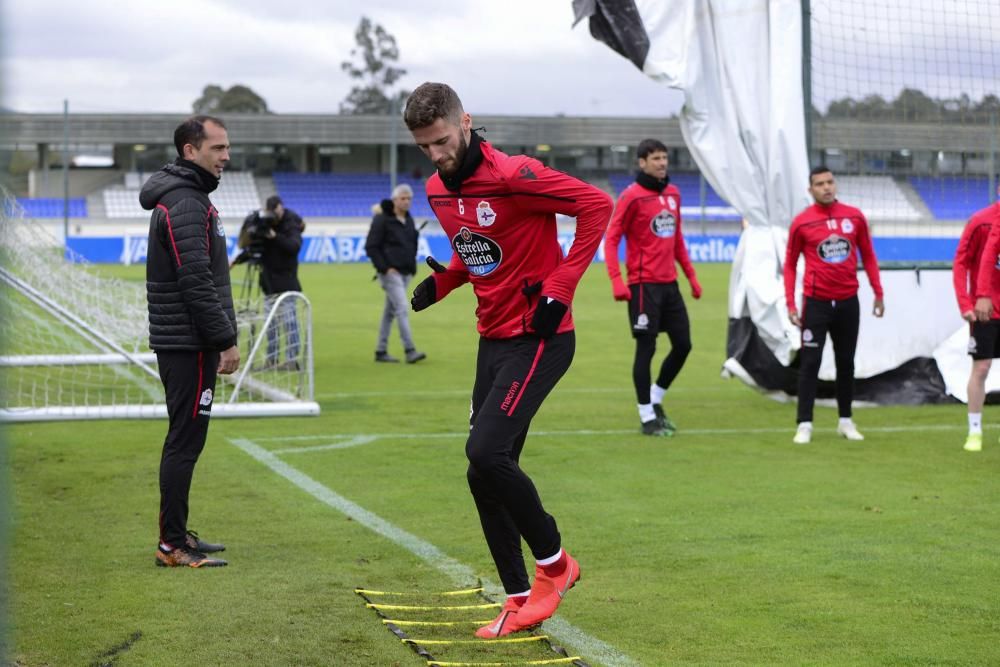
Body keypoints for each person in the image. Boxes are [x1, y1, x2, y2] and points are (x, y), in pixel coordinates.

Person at [405, 82, 613, 638]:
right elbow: (477, 250)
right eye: (424, 146)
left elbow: (597, 205)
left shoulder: (514, 175)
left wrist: (562, 284)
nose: (436, 155)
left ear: (465, 122)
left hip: (540, 336)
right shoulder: (435, 188)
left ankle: (557, 565)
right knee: (483, 473)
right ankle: (518, 598)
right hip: (492, 339)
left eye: (442, 141)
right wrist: (446, 281)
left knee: (486, 450)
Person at [139, 115, 240, 567]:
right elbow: (195, 280)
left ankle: (178, 535)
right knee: (184, 441)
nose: (226, 156)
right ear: (189, 151)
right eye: (217, 148)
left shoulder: (190, 198)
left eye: (226, 147)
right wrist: (225, 340)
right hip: (189, 342)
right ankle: (172, 546)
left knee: (186, 439)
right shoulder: (185, 203)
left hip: (187, 339)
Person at [604, 139, 701, 437]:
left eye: (664, 158)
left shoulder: (673, 194)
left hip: (669, 284)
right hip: (643, 285)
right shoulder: (631, 197)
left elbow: (678, 239)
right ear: (642, 162)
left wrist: (691, 276)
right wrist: (617, 280)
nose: (662, 163)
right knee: (647, 348)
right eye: (656, 158)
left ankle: (656, 398)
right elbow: (611, 239)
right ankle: (646, 415)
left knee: (684, 344)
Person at [783, 166, 884, 445]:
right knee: (810, 363)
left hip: (848, 302)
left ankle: (846, 421)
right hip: (815, 304)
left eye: (830, 182)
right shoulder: (802, 223)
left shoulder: (854, 216)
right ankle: (804, 424)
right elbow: (790, 265)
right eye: (820, 184)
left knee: (845, 363)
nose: (826, 187)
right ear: (810, 190)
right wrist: (791, 303)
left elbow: (869, 256)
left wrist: (878, 292)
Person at [233, 195, 304, 370]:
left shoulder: (291, 223)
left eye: (276, 210)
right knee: (270, 325)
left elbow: (294, 247)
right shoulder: (265, 224)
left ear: (281, 207)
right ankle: (271, 360)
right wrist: (235, 261)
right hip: (268, 283)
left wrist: (275, 236)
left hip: (286, 282)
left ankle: (291, 360)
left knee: (289, 323)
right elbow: (254, 248)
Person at [365, 184, 426, 364]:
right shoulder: (382, 219)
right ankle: (410, 350)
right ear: (394, 200)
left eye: (409, 199)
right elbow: (371, 246)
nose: (406, 202)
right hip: (391, 273)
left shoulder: (409, 220)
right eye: (403, 198)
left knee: (389, 312)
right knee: (402, 308)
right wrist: (384, 268)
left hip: (406, 272)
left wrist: (412, 266)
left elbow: (412, 245)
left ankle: (380, 350)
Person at [963, 187, 1000, 452]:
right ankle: (975, 430)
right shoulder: (984, 220)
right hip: (989, 308)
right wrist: (981, 295)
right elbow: (986, 258)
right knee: (982, 367)